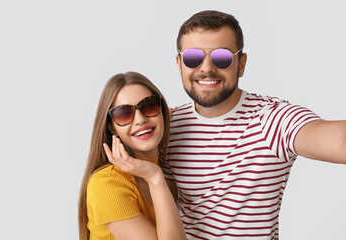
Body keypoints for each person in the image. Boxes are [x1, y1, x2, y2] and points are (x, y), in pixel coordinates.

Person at [160, 10, 346, 240]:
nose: (206, 68)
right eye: (192, 58)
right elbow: (162, 214)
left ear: (241, 63)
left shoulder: (271, 119)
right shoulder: (169, 128)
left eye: (221, 58)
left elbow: (340, 141)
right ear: (179, 64)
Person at [78, 72, 187, 240]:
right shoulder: (107, 183)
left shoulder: (170, 172)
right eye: (123, 114)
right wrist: (154, 177)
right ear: (112, 128)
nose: (140, 119)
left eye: (149, 106)